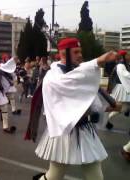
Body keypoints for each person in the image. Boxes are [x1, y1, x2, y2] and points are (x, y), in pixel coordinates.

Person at [29, 38, 120, 180]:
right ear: (63, 54)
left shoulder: (78, 73)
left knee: (95, 174)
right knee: (55, 175)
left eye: (80, 52)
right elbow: (70, 82)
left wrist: (105, 106)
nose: (80, 55)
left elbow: (87, 95)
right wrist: (97, 61)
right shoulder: (53, 76)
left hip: (84, 129)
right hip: (63, 131)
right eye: (76, 52)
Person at [106, 50, 130, 129]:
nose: (129, 56)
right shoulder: (120, 65)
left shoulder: (125, 64)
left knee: (124, 108)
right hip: (122, 88)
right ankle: (108, 120)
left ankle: (108, 120)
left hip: (124, 87)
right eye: (127, 55)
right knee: (123, 108)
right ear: (123, 56)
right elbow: (125, 75)